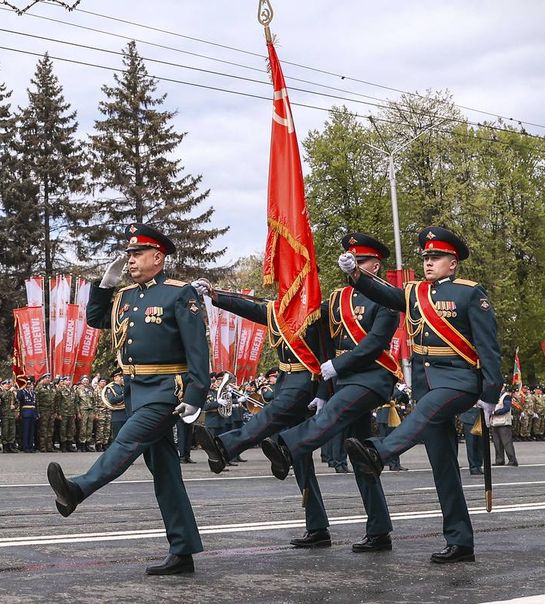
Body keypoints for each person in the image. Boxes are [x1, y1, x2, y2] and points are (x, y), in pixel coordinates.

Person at [46, 223, 210, 576]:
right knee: (165, 473)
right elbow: (94, 319)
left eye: (137, 254)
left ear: (158, 257)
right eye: (129, 254)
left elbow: (199, 351)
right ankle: (182, 551)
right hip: (135, 391)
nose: (131, 260)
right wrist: (104, 287)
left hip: (168, 391)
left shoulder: (179, 294)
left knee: (127, 440)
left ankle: (78, 489)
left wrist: (197, 395)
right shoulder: (125, 296)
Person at [342, 226, 502, 564]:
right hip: (428, 382)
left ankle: (378, 453)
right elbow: (385, 294)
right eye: (426, 257)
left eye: (437, 257)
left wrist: (491, 391)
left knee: (425, 412)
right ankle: (459, 541)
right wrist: (355, 274)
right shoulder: (415, 293)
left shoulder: (470, 294)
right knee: (442, 466)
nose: (429, 262)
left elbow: (489, 347)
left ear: (453, 263)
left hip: (459, 380)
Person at [256, 232, 399, 554]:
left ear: (375, 263)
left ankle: (284, 447)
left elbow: (374, 344)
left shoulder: (387, 297)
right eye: (351, 261)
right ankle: (354, 529)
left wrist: (338, 366)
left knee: (342, 442)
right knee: (359, 453)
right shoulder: (336, 298)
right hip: (339, 382)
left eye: (361, 261)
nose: (355, 265)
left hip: (367, 380)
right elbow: (312, 330)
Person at [188, 279, 331, 548]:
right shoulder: (276, 311)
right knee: (299, 457)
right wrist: (215, 295)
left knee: (271, 417)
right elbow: (246, 308)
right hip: (285, 382)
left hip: (305, 382)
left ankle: (225, 446)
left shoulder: (317, 311)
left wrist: (323, 391)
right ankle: (317, 526)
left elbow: (325, 354)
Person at [491, 386, 518, 466]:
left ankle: (512, 460)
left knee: (506, 442)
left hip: (504, 422)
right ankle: (499, 460)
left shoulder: (506, 396)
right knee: (497, 443)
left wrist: (496, 412)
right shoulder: (495, 396)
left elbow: (506, 408)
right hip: (494, 422)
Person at [17, 377, 38, 453]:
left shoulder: (33, 393)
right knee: (26, 431)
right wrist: (21, 387)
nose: (29, 385)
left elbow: (35, 404)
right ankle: (25, 446)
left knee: (31, 431)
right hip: (26, 413)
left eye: (30, 384)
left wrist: (36, 413)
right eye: (28, 384)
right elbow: (19, 397)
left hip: (32, 413)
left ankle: (30, 446)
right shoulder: (22, 392)